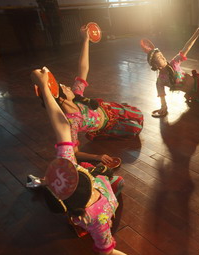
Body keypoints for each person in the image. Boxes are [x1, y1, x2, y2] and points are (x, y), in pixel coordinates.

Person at [30, 66, 163, 255]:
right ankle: (76, 223)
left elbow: (61, 128)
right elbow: (107, 254)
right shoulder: (98, 219)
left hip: (90, 197)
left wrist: (44, 87)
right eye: (81, 170)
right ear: (88, 184)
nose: (79, 167)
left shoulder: (72, 174)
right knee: (116, 183)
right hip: (100, 209)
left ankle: (47, 184)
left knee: (113, 178)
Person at [36, 25, 144, 165]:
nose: (69, 87)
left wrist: (86, 40)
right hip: (106, 127)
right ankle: (106, 134)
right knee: (135, 130)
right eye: (65, 88)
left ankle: (123, 110)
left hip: (108, 108)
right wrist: (97, 157)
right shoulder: (71, 123)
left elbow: (83, 67)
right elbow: (74, 153)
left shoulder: (76, 95)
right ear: (61, 98)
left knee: (139, 114)